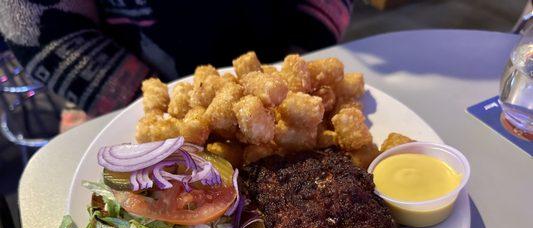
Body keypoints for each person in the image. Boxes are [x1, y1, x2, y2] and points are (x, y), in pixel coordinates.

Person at [0, 1, 353, 117]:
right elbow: (35, 30)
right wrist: (154, 110)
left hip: (284, 64)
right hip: (125, 92)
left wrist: (302, 62)